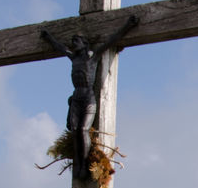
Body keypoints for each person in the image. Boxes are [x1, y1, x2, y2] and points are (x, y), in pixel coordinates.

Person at [40, 14, 139, 179]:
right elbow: (58, 46)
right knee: (75, 130)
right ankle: (78, 164)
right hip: (76, 97)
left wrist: (128, 25)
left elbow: (112, 40)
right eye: (73, 41)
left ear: (85, 43)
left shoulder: (93, 57)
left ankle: (85, 163)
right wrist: (47, 37)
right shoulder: (74, 58)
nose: (73, 44)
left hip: (88, 98)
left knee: (83, 129)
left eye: (76, 41)